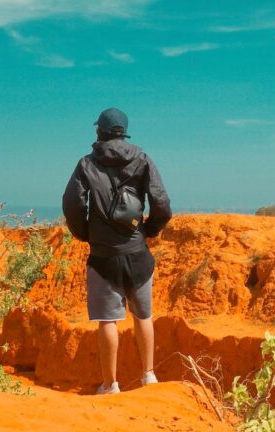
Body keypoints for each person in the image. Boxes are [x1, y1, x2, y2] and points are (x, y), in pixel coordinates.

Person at [62, 107, 172, 395]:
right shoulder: (142, 159)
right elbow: (161, 202)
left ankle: (110, 385)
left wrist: (85, 234)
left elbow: (72, 204)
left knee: (107, 320)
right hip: (138, 253)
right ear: (123, 131)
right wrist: (149, 230)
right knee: (143, 315)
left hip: (103, 257)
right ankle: (148, 375)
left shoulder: (86, 164)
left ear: (99, 131)